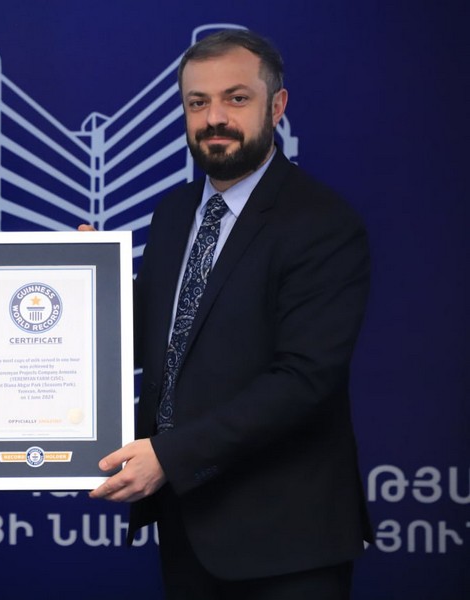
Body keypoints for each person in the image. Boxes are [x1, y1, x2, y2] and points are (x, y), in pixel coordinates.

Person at [89, 30, 373, 599]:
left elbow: (304, 379)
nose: (214, 117)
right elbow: (150, 339)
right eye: (197, 102)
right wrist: (77, 281)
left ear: (277, 105)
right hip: (188, 525)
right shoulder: (174, 213)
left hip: (288, 542)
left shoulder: (321, 223)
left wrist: (170, 455)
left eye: (236, 98)